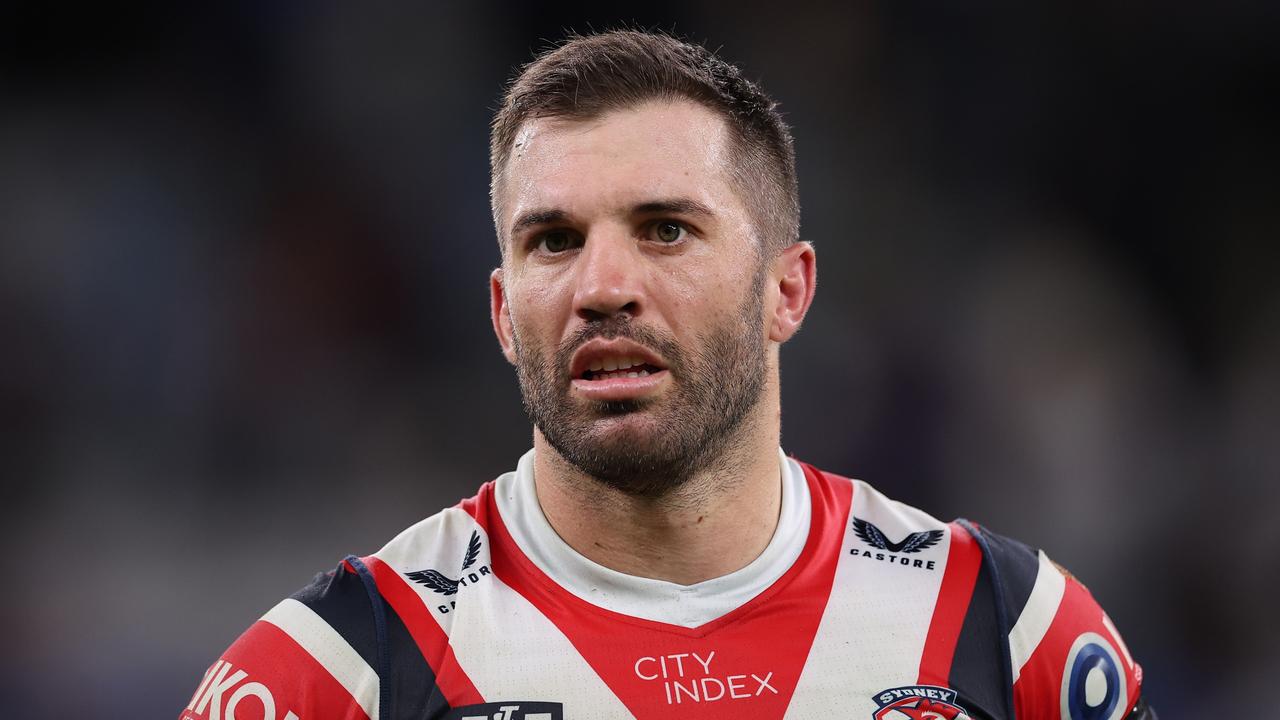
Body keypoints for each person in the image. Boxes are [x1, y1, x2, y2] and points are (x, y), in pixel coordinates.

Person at [181, 30, 1155, 720]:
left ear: (787, 289)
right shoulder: (342, 671)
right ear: (500, 314)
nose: (603, 286)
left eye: (665, 230)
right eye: (553, 241)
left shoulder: (1008, 632)